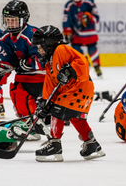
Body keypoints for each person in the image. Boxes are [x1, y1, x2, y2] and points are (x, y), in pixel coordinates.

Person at [32, 25, 105, 162]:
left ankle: (54, 145)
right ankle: (92, 144)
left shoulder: (61, 49)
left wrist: (70, 70)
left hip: (79, 89)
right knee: (76, 117)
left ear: (49, 43)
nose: (39, 49)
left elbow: (82, 61)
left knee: (57, 111)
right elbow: (50, 86)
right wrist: (45, 102)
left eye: (40, 45)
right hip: (74, 92)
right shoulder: (50, 63)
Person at [0, 0, 46, 121]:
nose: (10, 24)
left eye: (14, 20)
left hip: (41, 76)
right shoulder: (6, 37)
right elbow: (7, 60)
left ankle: (35, 119)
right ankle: (30, 117)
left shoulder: (33, 34)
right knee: (15, 92)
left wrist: (25, 63)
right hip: (23, 76)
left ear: (24, 19)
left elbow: (42, 60)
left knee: (20, 94)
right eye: (8, 20)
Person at [62, 0, 102, 77]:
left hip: (90, 33)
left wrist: (89, 17)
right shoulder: (69, 5)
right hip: (77, 34)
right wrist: (67, 32)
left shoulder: (89, 2)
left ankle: (97, 67)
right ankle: (84, 64)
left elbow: (96, 18)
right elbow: (66, 20)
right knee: (76, 51)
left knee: (93, 50)